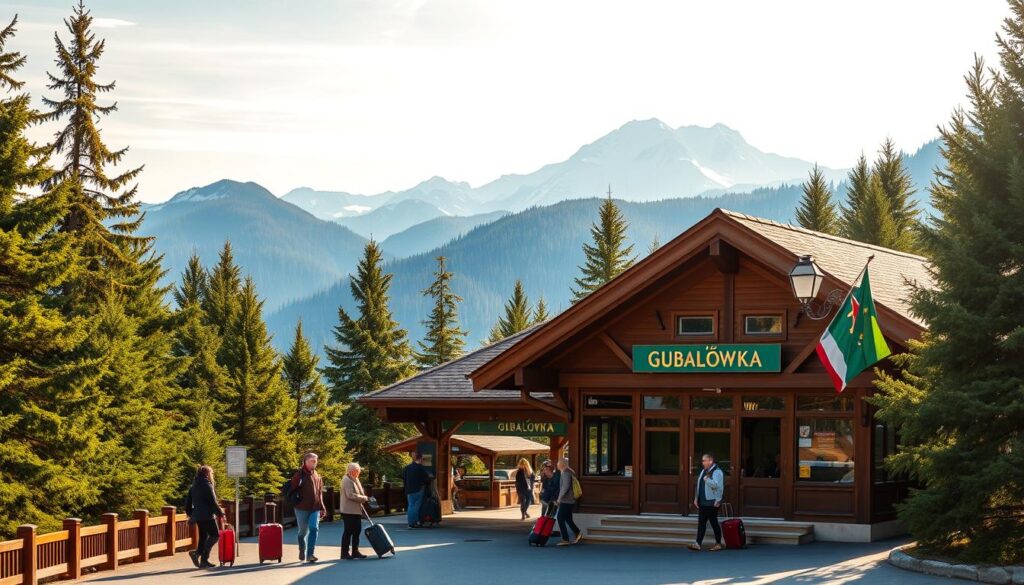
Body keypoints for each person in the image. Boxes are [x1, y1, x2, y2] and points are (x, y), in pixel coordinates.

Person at [184, 465, 226, 569]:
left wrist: (192, 514)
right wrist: (221, 513)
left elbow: (188, 503)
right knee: (215, 535)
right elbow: (212, 502)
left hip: (198, 516)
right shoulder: (207, 485)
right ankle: (203, 559)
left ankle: (197, 554)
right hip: (207, 515)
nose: (212, 475)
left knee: (203, 536)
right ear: (207, 474)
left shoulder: (193, 486)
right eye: (211, 473)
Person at [291, 452, 327, 562]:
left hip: (315, 508)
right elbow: (292, 490)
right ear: (305, 461)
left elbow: (320, 492)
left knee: (314, 528)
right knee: (302, 532)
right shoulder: (299, 475)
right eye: (312, 461)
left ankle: (310, 554)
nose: (314, 463)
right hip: (301, 508)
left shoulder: (317, 475)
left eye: (315, 461)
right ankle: (302, 548)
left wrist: (322, 507)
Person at [689, 453, 724, 552]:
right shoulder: (704, 471)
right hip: (702, 501)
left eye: (704, 460)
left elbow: (718, 486)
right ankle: (698, 544)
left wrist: (718, 500)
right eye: (702, 460)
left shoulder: (717, 472)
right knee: (702, 522)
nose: (702, 462)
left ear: (710, 461)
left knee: (713, 522)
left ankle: (717, 543)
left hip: (712, 502)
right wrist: (696, 498)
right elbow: (699, 485)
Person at [340, 462, 369, 560]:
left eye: (359, 471)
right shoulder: (347, 480)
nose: (359, 472)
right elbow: (350, 495)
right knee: (348, 531)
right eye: (357, 471)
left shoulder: (355, 479)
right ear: (351, 471)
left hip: (356, 510)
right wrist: (364, 498)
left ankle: (355, 551)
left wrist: (363, 497)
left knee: (357, 531)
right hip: (348, 510)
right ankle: (344, 553)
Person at [554, 458, 583, 546]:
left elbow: (565, 487)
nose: (557, 465)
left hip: (567, 500)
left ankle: (565, 539)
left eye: (558, 463)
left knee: (560, 518)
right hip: (570, 500)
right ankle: (578, 533)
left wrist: (559, 498)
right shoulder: (570, 471)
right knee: (568, 519)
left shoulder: (566, 472)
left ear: (562, 464)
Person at [403, 451, 432, 528]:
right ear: (421, 459)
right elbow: (427, 479)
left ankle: (410, 522)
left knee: (410, 506)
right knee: (416, 506)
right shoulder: (421, 468)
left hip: (409, 489)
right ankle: (414, 522)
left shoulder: (407, 468)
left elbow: (404, 478)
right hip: (418, 489)